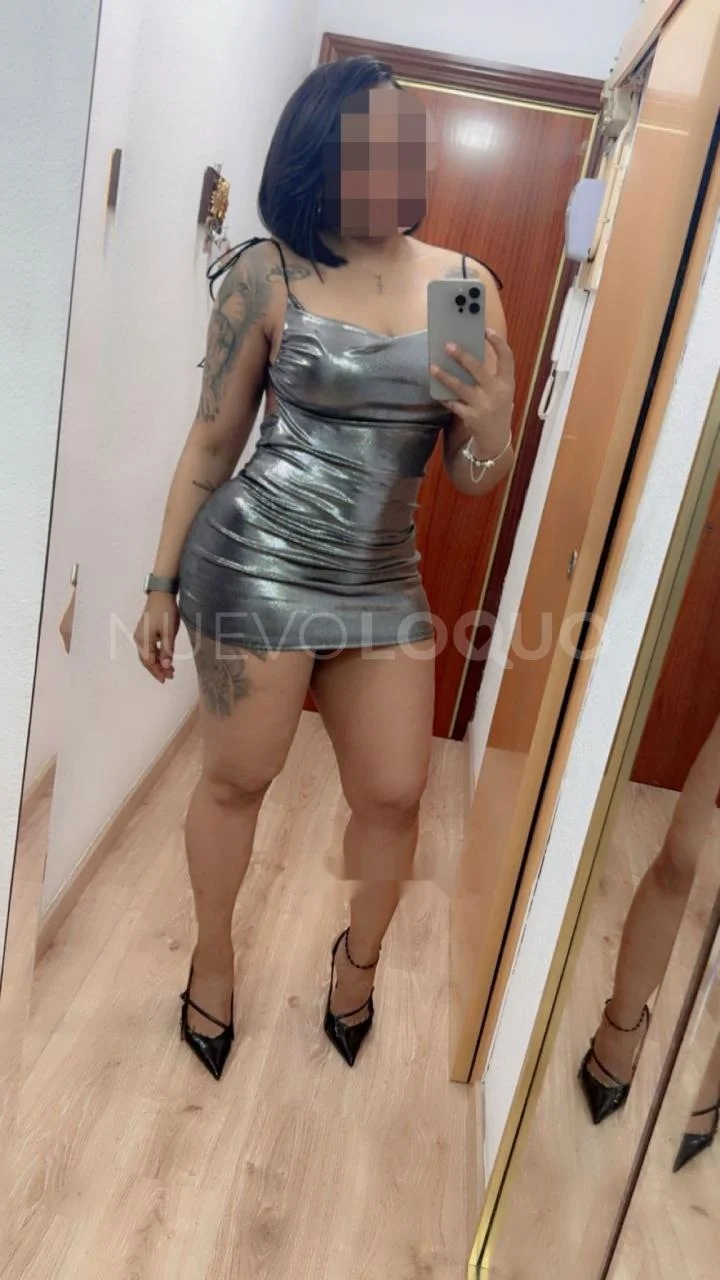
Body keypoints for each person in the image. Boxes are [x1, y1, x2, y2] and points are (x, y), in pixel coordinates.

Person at [133, 55, 515, 1080]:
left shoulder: (461, 288)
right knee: (237, 778)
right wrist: (161, 583)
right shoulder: (268, 273)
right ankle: (214, 961)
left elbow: (472, 474)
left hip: (381, 580)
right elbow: (213, 441)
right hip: (254, 567)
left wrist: (490, 426)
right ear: (320, 154)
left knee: (394, 792)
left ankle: (358, 963)